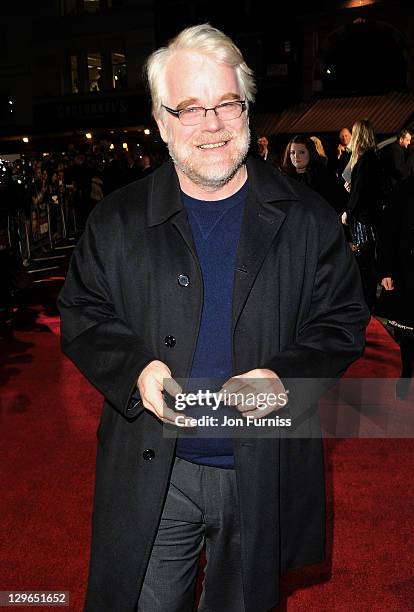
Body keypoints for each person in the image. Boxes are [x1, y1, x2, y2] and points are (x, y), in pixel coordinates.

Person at [58, 24, 369, 612]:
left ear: (247, 107)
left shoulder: (307, 218)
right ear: (161, 118)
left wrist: (283, 379)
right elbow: (82, 309)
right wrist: (134, 372)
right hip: (157, 469)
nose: (213, 124)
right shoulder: (117, 220)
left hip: (263, 471)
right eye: (191, 108)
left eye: (227, 103)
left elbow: (341, 321)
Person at [377, 175, 414, 399]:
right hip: (408, 269)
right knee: (409, 329)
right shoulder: (405, 186)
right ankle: (406, 372)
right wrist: (386, 270)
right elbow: (388, 230)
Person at [341, 119, 383, 311]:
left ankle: (369, 301)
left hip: (364, 217)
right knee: (366, 258)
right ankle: (368, 299)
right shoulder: (370, 157)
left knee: (365, 259)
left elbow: (361, 192)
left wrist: (348, 211)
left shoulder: (366, 159)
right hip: (367, 214)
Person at [281, 134, 346, 212]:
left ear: (310, 153)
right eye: (292, 153)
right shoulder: (285, 178)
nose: (296, 156)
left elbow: (336, 202)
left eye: (301, 152)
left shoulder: (322, 176)